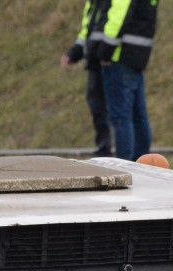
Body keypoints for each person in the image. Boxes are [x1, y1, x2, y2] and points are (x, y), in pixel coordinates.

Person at [85, 0, 160, 162]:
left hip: (119, 57)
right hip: (138, 56)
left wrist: (104, 52)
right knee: (138, 115)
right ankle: (143, 162)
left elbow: (118, 16)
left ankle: (125, 164)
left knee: (121, 118)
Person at [61, 1, 111, 157]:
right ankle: (103, 149)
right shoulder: (92, 3)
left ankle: (110, 151)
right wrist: (74, 53)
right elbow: (87, 32)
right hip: (95, 61)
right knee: (97, 108)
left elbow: (112, 27)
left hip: (108, 60)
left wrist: (104, 53)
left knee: (116, 110)